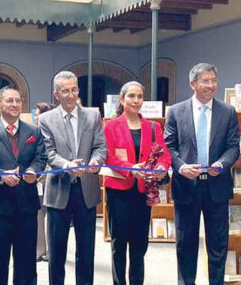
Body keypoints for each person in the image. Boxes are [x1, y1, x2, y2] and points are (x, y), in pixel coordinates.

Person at [164, 63, 240, 285]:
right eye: (205, 81)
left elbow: (233, 146)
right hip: (186, 186)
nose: (211, 85)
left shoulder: (227, 112)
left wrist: (222, 164)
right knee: (186, 244)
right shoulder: (176, 112)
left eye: (214, 80)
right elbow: (169, 147)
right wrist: (180, 167)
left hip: (217, 186)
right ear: (193, 84)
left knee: (218, 244)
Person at [39, 71, 107, 285]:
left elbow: (100, 147)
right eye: (65, 91)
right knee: (57, 253)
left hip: (86, 190)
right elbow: (48, 153)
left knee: (86, 251)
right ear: (56, 94)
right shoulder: (46, 119)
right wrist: (67, 166)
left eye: (74, 89)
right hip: (59, 190)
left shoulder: (92, 116)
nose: (71, 95)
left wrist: (96, 162)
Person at [0, 85, 47, 285]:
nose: (15, 104)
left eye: (18, 100)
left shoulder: (34, 131)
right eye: (9, 100)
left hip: (27, 206)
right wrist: (1, 176)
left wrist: (34, 171)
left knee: (27, 263)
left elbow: (41, 157)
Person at [103, 81, 171, 285]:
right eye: (131, 96)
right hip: (119, 192)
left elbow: (164, 154)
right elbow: (108, 156)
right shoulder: (111, 126)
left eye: (140, 96)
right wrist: (131, 168)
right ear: (122, 100)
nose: (136, 100)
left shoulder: (153, 127)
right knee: (119, 243)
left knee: (140, 243)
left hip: (143, 192)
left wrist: (161, 167)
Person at [34, 102, 56, 262]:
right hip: (39, 179)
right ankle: (40, 250)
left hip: (54, 178)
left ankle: (53, 249)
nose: (36, 117)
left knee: (54, 216)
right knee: (39, 214)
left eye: (39, 114)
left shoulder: (53, 132)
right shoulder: (33, 133)